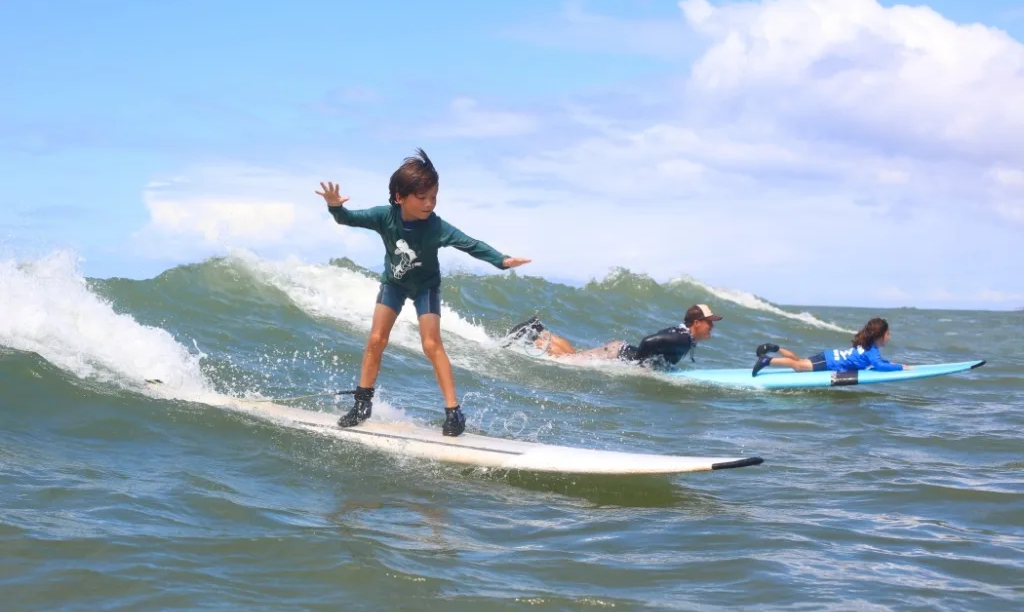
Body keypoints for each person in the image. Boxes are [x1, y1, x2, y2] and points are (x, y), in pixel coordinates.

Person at [318, 148, 530, 436]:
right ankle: (361, 403)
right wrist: (335, 207)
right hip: (393, 284)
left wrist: (501, 260)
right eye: (423, 197)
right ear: (400, 197)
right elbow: (348, 219)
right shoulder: (384, 217)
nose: (430, 203)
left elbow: (470, 243)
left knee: (431, 344)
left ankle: (454, 413)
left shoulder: (436, 227)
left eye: (434, 196)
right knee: (376, 339)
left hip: (425, 287)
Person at [501, 304, 722, 369]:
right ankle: (533, 334)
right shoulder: (683, 339)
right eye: (710, 322)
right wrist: (640, 364)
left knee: (573, 355)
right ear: (696, 323)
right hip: (619, 355)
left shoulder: (682, 334)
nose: (712, 326)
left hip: (619, 350)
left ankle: (538, 330)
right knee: (564, 361)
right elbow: (649, 342)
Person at [750, 317, 913, 377]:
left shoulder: (866, 345)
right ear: (879, 336)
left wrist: (890, 363)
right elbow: (877, 365)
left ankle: (775, 348)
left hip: (828, 355)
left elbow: (878, 361)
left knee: (799, 360)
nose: (889, 337)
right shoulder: (872, 350)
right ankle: (767, 361)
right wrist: (899, 367)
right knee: (798, 366)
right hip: (829, 363)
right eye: (888, 334)